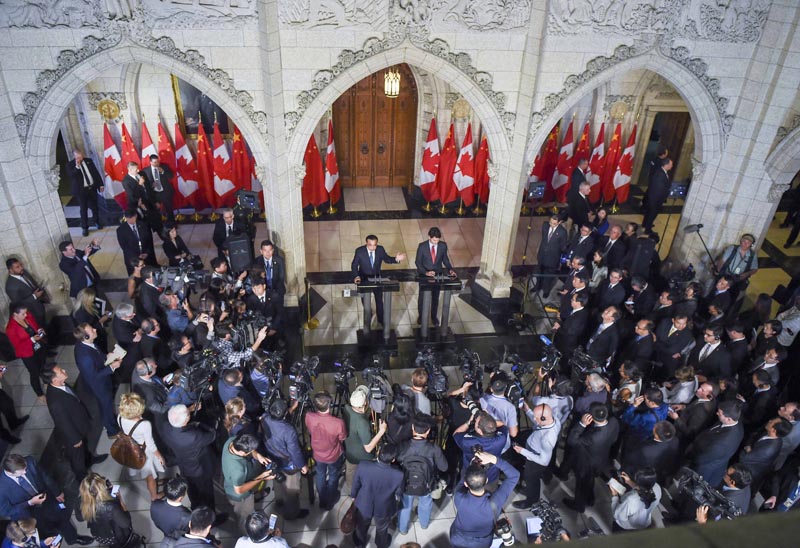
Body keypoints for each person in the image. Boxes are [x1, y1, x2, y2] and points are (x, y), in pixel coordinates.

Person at [0, 454, 92, 545]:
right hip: (29, 514)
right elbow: (5, 511)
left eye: (25, 468)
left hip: (47, 500)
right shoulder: (2, 486)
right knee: (45, 531)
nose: (25, 472)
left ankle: (73, 538)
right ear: (10, 472)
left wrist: (57, 492)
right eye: (21, 471)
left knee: (62, 517)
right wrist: (30, 502)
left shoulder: (30, 461)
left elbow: (45, 476)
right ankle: (54, 543)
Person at [42, 365, 106, 477]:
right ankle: (82, 479)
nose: (64, 370)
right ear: (54, 379)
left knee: (85, 447)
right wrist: (75, 439)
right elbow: (62, 422)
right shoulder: (55, 401)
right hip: (73, 435)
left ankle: (89, 460)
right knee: (77, 459)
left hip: (80, 425)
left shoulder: (62, 384)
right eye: (61, 370)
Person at [449, 452, 520, 548]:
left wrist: (472, 466)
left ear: (466, 484)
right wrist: (494, 459)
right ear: (486, 480)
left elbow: (463, 481)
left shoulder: (458, 497)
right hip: (482, 542)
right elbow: (514, 475)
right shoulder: (495, 503)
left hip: (458, 538)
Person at [562, 402, 620, 512]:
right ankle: (590, 498)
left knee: (581, 484)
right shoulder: (614, 422)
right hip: (602, 460)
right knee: (590, 481)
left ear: (591, 417)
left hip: (587, 464)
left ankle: (579, 505)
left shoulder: (592, 438)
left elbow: (572, 441)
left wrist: (582, 424)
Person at [397, 415, 448, 534]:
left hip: (406, 484)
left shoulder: (403, 446)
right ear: (428, 431)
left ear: (413, 428)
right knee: (425, 504)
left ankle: (403, 529)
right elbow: (444, 467)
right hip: (426, 484)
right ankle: (424, 524)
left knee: (405, 506)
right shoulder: (434, 448)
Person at [260, 399, 309, 521]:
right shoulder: (288, 430)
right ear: (285, 414)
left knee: (278, 481)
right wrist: (302, 465)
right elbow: (294, 451)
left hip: (272, 459)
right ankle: (292, 513)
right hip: (288, 464)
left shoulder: (265, 417)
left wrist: (291, 408)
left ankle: (279, 503)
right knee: (291, 490)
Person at [164, 404, 218, 510]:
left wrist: (190, 411)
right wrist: (201, 424)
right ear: (186, 420)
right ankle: (210, 515)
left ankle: (195, 506)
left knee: (192, 489)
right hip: (199, 469)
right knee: (206, 491)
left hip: (183, 465)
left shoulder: (166, 427)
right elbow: (212, 435)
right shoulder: (193, 436)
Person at [351, 443, 404, 548]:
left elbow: (356, 483)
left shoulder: (363, 465)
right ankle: (381, 544)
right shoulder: (399, 474)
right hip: (384, 507)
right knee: (382, 528)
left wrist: (354, 495)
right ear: (393, 460)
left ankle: (361, 543)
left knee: (362, 525)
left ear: (379, 452)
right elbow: (399, 492)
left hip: (364, 503)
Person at [73, 322, 122, 437]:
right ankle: (112, 431)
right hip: (99, 385)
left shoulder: (88, 344)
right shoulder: (84, 356)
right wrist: (112, 367)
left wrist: (107, 356)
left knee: (107, 404)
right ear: (86, 336)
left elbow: (97, 355)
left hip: (104, 381)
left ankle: (110, 419)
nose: (95, 329)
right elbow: (94, 375)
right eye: (92, 330)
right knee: (106, 406)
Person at [222, 433, 276, 530]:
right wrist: (262, 477)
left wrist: (258, 456)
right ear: (243, 453)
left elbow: (251, 451)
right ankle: (249, 537)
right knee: (246, 519)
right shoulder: (237, 470)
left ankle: (255, 498)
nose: (252, 452)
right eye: (250, 451)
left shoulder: (232, 441)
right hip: (240, 497)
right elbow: (239, 490)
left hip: (239, 481)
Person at [512, 402, 561, 508]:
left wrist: (523, 451)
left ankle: (531, 501)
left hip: (535, 461)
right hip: (533, 451)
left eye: (536, 417)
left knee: (531, 480)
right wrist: (528, 410)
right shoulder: (553, 419)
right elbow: (537, 421)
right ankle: (529, 490)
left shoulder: (548, 438)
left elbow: (544, 461)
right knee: (530, 480)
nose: (534, 419)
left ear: (543, 419)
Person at [687, 400, 745, 488]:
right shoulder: (736, 422)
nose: (717, 413)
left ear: (728, 419)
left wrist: (690, 457)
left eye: (720, 413)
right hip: (711, 457)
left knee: (690, 487)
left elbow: (702, 458)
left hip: (703, 468)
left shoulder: (724, 441)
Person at [118, 392, 165, 500]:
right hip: (144, 451)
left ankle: (153, 482)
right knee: (150, 476)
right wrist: (159, 456)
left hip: (131, 448)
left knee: (144, 472)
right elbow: (150, 444)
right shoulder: (144, 424)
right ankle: (154, 496)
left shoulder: (120, 417)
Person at [304, 391, 346, 510]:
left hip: (317, 454)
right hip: (333, 455)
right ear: (329, 405)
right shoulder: (338, 422)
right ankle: (330, 500)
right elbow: (342, 438)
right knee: (333, 476)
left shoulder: (309, 416)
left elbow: (309, 430)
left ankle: (322, 500)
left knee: (320, 475)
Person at [351, 234, 406, 325]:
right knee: (364, 299)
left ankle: (380, 319)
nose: (373, 247)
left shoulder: (380, 250)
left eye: (374, 245)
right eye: (370, 245)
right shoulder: (359, 251)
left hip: (377, 278)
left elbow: (387, 259)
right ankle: (369, 314)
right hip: (364, 278)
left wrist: (396, 259)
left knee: (379, 300)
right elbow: (354, 265)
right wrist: (356, 276)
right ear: (366, 243)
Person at [343, 386, 387, 492]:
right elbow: (368, 448)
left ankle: (351, 492)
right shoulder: (362, 424)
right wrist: (381, 431)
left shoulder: (346, 408)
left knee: (351, 479)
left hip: (349, 454)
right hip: (363, 458)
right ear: (365, 404)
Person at [453, 411, 509, 490]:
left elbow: (456, 433)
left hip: (470, 477)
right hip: (491, 477)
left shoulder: (467, 441)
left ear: (479, 430)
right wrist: (488, 421)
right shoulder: (501, 439)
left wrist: (468, 422)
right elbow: (502, 424)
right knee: (490, 498)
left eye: (476, 422)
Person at [79, 472, 135, 548]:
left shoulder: (84, 503)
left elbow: (81, 518)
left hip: (98, 535)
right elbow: (126, 523)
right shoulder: (110, 507)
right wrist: (120, 500)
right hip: (116, 537)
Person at [415, 226, 456, 326]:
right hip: (424, 274)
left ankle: (433, 317)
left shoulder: (443, 246)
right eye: (434, 240)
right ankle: (421, 316)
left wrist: (450, 269)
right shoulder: (422, 246)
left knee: (435, 297)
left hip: (438, 273)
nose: (436, 242)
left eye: (437, 240)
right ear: (429, 237)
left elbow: (445, 259)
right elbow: (418, 262)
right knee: (422, 297)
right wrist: (426, 273)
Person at [5, 303, 47, 401]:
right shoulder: (11, 329)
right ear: (15, 314)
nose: (26, 315)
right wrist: (32, 340)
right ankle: (40, 394)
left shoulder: (27, 316)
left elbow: (34, 326)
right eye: (23, 314)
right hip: (27, 353)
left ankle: (45, 381)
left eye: (26, 312)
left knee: (42, 365)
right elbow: (18, 346)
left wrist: (39, 330)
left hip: (38, 348)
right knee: (34, 373)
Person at [66, 149, 104, 236]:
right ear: (74, 157)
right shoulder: (70, 165)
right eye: (78, 157)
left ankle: (96, 222)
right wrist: (77, 167)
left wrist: (100, 185)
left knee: (95, 207)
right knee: (83, 209)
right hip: (81, 191)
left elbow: (95, 173)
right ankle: (85, 227)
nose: (80, 158)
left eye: (81, 156)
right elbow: (72, 176)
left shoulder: (88, 161)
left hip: (92, 188)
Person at [251, 240, 286, 331]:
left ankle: (279, 333)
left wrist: (275, 292)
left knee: (279, 312)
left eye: (270, 250)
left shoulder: (279, 260)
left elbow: (281, 277)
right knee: (265, 312)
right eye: (265, 250)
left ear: (273, 250)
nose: (267, 253)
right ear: (261, 251)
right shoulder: (257, 261)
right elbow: (256, 279)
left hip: (277, 290)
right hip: (263, 291)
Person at [480, 374, 519, 451]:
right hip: (503, 446)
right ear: (506, 388)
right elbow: (513, 433)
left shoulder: (483, 398)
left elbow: (486, 393)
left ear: (491, 389)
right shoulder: (510, 407)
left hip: (485, 442)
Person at [5, 257, 48, 328]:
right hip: (32, 312)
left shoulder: (23, 272)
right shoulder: (10, 286)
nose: (21, 268)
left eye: (21, 265)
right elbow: (18, 304)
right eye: (17, 267)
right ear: (10, 270)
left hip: (39, 306)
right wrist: (34, 296)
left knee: (45, 326)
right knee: (40, 330)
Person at [717, 234, 759, 298]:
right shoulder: (732, 248)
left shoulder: (752, 255)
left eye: (748, 243)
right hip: (726, 276)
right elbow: (722, 261)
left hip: (738, 280)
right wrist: (719, 271)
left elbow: (755, 269)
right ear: (740, 241)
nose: (745, 244)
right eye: (744, 241)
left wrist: (747, 274)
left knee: (732, 297)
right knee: (718, 294)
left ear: (751, 245)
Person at [536, 214, 568, 297]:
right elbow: (543, 239)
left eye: (554, 223)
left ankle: (546, 291)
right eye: (550, 222)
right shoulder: (545, 225)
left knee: (548, 276)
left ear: (559, 222)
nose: (551, 224)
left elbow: (563, 247)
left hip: (553, 258)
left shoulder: (562, 232)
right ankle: (537, 286)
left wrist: (563, 258)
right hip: (542, 255)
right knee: (539, 271)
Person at [117, 209, 157, 275]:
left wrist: (147, 252)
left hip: (146, 256)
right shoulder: (121, 230)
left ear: (135, 216)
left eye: (131, 218)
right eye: (128, 218)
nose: (130, 220)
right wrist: (137, 256)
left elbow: (149, 241)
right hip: (133, 259)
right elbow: (124, 247)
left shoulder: (144, 225)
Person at [73, 287, 111, 353]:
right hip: (94, 336)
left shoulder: (88, 305)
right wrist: (101, 321)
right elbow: (86, 328)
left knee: (104, 347)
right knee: (102, 350)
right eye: (92, 298)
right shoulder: (80, 314)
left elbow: (94, 314)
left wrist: (103, 313)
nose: (93, 300)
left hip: (99, 332)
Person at [141, 154, 175, 222]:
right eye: (154, 162)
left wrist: (163, 172)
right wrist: (151, 185)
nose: (157, 164)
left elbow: (171, 176)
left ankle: (172, 225)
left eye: (158, 162)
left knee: (169, 209)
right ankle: (159, 226)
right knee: (155, 210)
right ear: (150, 162)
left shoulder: (164, 166)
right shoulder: (145, 171)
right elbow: (145, 184)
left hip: (165, 192)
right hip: (155, 194)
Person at [642, 157, 672, 232]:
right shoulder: (660, 174)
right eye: (671, 164)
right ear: (667, 165)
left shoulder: (661, 171)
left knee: (649, 212)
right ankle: (647, 229)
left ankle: (645, 224)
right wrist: (666, 193)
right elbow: (659, 188)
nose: (672, 166)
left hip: (653, 197)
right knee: (652, 213)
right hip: (655, 198)